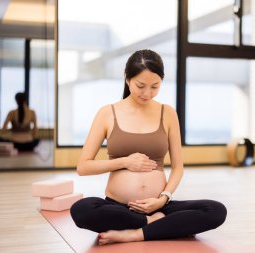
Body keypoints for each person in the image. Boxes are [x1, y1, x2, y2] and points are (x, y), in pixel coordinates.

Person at [70, 49, 227, 245]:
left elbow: (178, 167)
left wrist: (163, 199)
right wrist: (125, 162)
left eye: (155, 86)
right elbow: (83, 167)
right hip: (119, 207)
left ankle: (135, 233)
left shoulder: (168, 113)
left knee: (216, 210)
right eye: (140, 85)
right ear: (127, 80)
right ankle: (151, 224)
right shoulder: (107, 113)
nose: (147, 93)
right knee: (81, 209)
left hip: (160, 205)